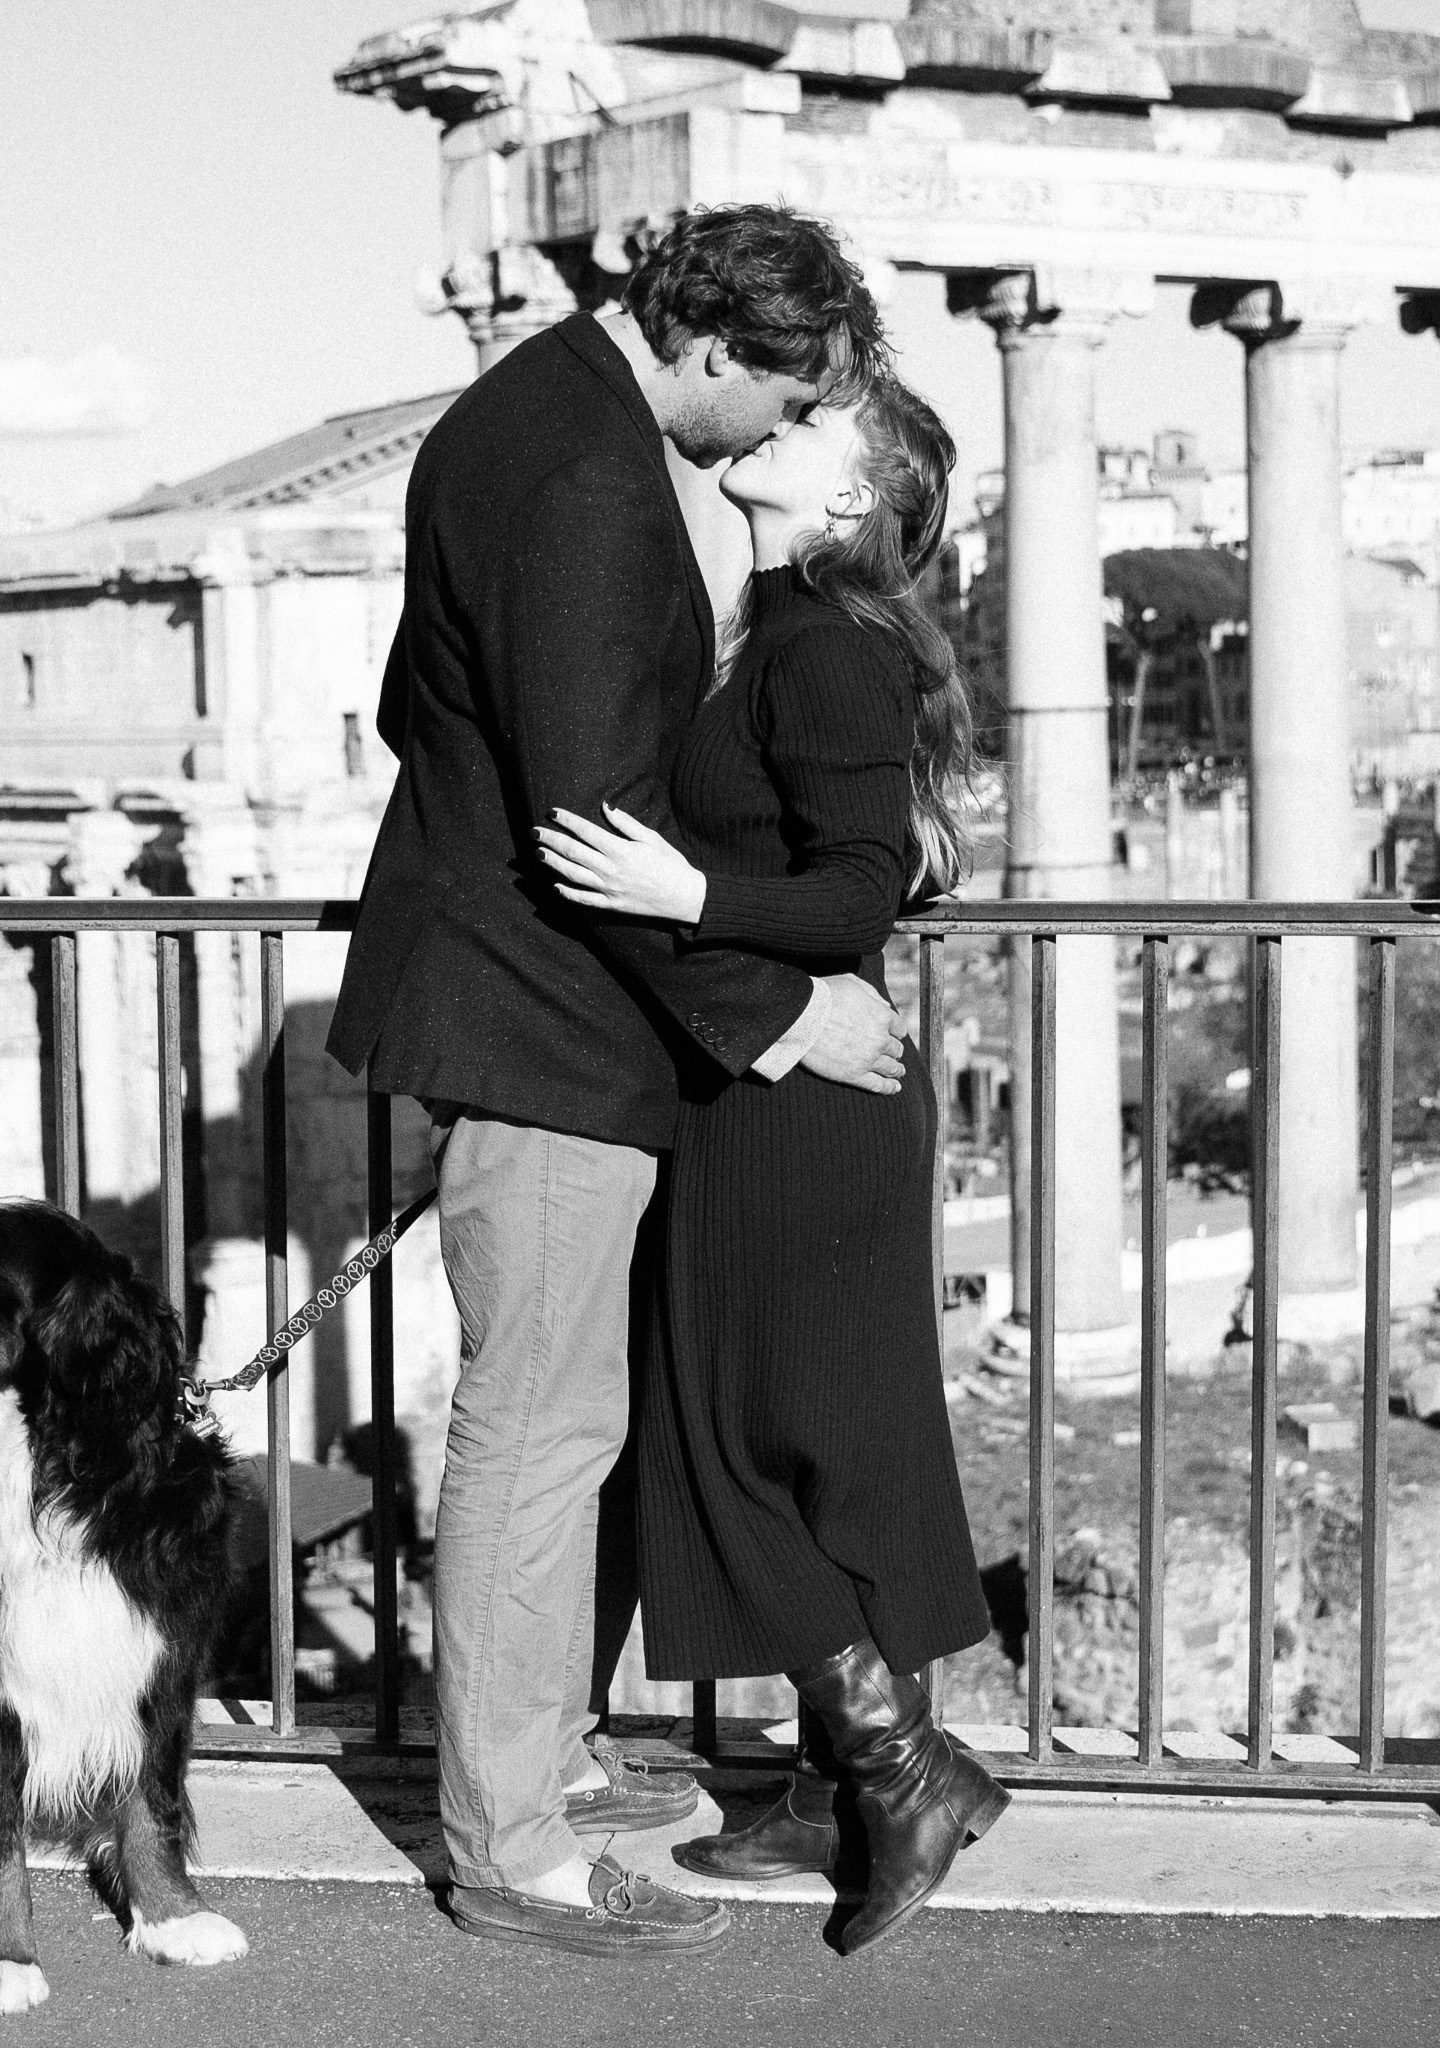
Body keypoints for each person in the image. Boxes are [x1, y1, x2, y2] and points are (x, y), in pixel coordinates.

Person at [326, 206, 907, 1958]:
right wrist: (780, 1009)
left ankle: (546, 1764)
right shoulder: (587, 472)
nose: (780, 441)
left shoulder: (539, 411)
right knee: (539, 1429)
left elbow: (411, 711)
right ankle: (510, 1847)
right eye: (788, 399)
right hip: (546, 1019)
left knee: (556, 1418)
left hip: (529, 1004)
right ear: (717, 349)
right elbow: (596, 824)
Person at [535, 375, 1003, 1958]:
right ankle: (844, 1784)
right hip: (792, 1096)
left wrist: (684, 886)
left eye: (813, 427)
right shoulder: (790, 626)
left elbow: (856, 892)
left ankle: (897, 1767)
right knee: (830, 1444)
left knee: (727, 1444)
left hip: (792, 1103)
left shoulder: (821, 641)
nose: (777, 428)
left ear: (857, 497)